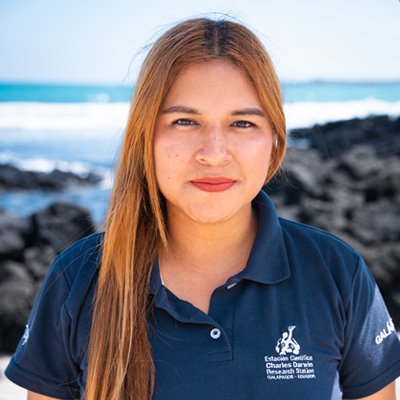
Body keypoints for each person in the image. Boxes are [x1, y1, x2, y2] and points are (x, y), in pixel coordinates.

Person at [4, 17, 400, 400]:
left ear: (275, 143)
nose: (213, 153)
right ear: (145, 138)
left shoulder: (336, 272)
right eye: (184, 121)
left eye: (242, 123)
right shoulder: (78, 279)